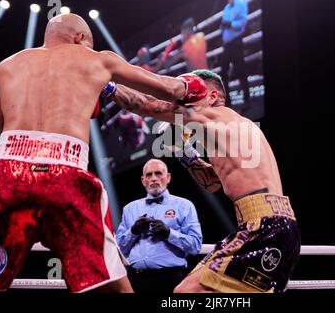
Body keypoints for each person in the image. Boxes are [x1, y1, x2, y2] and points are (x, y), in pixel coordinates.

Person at [0, 13, 207, 293]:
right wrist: (194, 88)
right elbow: (168, 89)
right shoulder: (98, 59)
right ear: (80, 39)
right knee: (114, 289)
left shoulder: (5, 66)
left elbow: (2, 127)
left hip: (4, 172)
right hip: (64, 174)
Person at [108, 69, 301, 293]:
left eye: (192, 96)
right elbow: (213, 183)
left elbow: (149, 106)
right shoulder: (239, 128)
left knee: (185, 293)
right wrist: (183, 150)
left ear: (211, 96)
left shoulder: (216, 116)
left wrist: (108, 86)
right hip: (281, 226)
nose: (185, 103)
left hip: (263, 227)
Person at [115, 159, 202, 293]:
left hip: (172, 279)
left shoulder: (184, 205)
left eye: (158, 173)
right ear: (143, 180)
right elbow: (120, 249)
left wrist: (169, 233)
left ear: (168, 177)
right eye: (149, 175)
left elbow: (195, 246)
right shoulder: (130, 209)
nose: (154, 178)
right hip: (137, 281)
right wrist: (133, 231)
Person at [220, 0, 250, 110]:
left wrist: (231, 24)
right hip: (227, 44)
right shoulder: (226, 8)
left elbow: (243, 22)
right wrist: (223, 28)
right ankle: (228, 103)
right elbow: (223, 25)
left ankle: (247, 100)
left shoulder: (241, 2)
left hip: (236, 42)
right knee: (223, 71)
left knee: (240, 70)